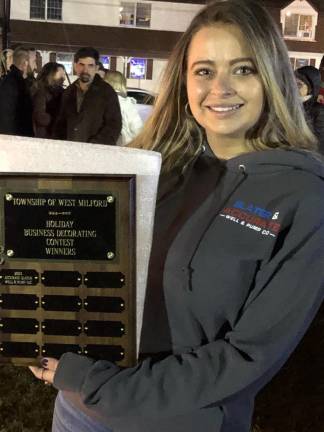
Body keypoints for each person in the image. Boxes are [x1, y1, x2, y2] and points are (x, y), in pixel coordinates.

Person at [29, 1, 324, 431]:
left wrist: (98, 384)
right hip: (80, 410)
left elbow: (248, 356)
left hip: (178, 420)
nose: (219, 88)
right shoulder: (154, 168)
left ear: (273, 77)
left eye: (243, 69)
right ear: (184, 81)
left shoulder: (302, 196)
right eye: (204, 71)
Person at [53, 47, 122, 145]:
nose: (85, 70)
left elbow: (114, 125)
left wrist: (95, 145)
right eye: (82, 65)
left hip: (96, 153)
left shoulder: (106, 92)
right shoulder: (68, 92)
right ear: (75, 66)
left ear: (96, 68)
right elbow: (61, 123)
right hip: (71, 151)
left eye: (90, 65)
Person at [0, 46, 33, 136]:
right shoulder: (15, 82)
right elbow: (9, 113)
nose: (35, 66)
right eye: (33, 62)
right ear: (25, 63)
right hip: (14, 138)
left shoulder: (14, 80)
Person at [104, 70, 143, 145]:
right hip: (122, 148)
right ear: (121, 84)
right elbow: (137, 129)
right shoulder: (125, 103)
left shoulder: (98, 101)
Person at [32, 62, 66, 138]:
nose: (64, 78)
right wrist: (57, 118)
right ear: (51, 74)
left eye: (64, 74)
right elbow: (40, 117)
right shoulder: (41, 91)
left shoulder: (61, 92)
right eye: (60, 75)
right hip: (44, 136)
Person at [295, 65, 324, 154]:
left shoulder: (319, 112)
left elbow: (318, 145)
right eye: (292, 83)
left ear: (311, 89)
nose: (294, 87)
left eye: (299, 84)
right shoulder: (287, 106)